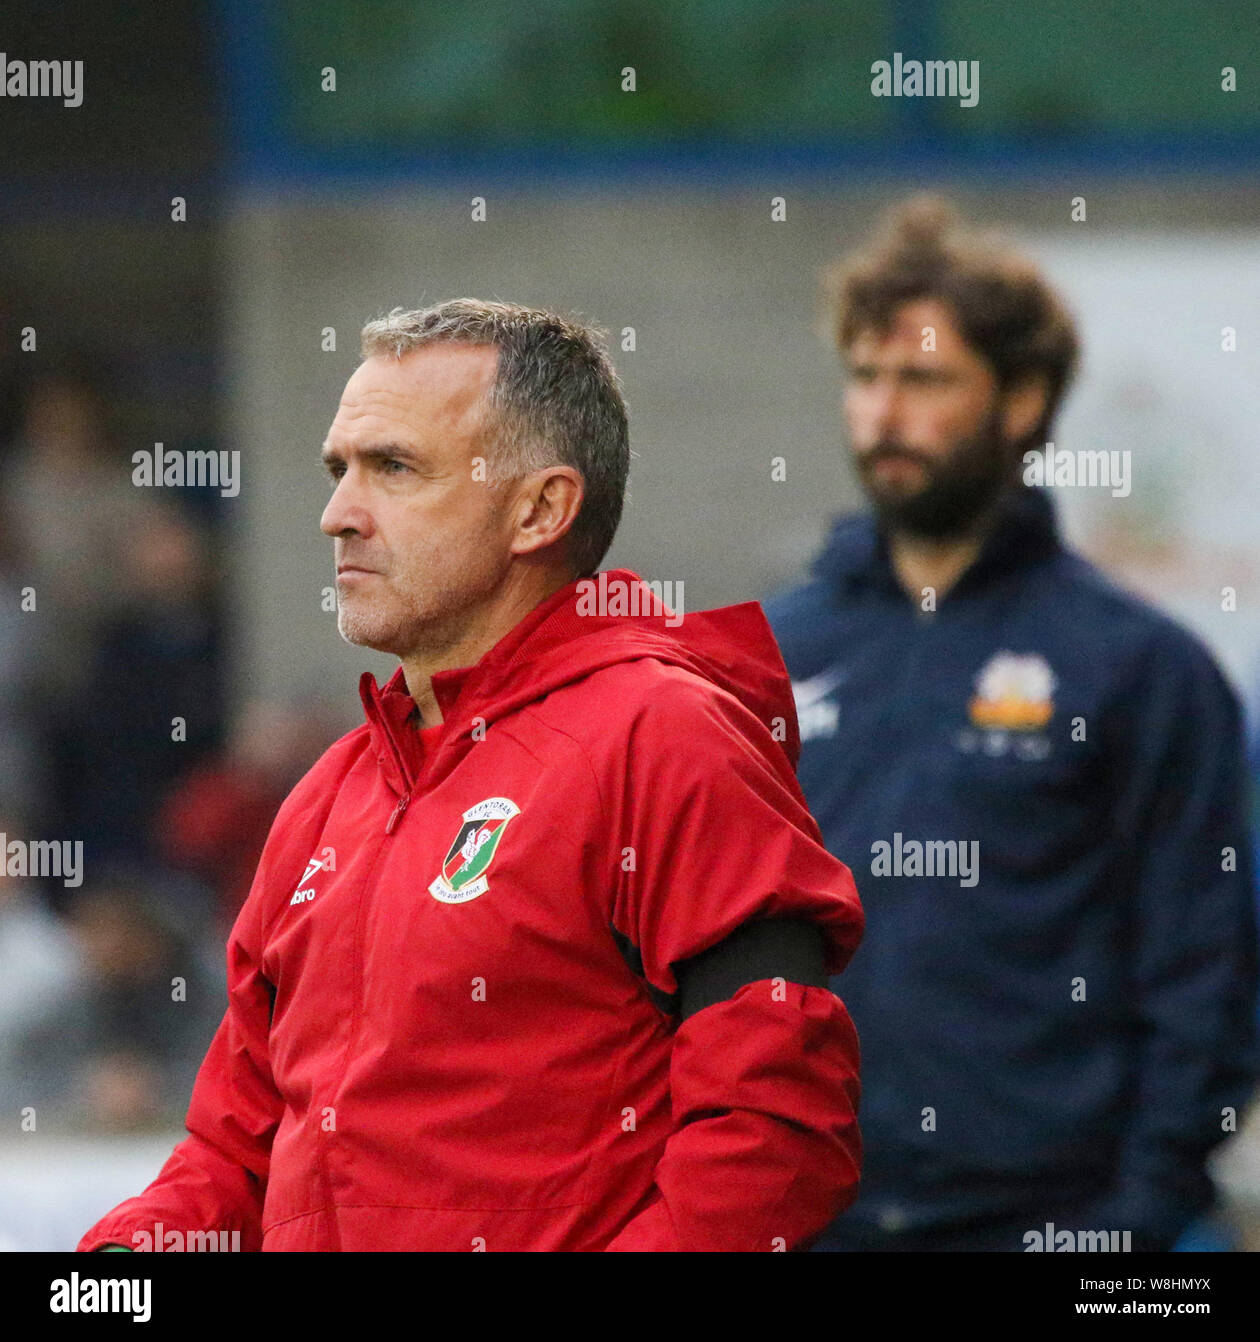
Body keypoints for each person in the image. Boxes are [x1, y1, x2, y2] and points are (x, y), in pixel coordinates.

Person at [79, 299, 863, 1253]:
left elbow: (774, 1132)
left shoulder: (666, 737)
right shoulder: (327, 795)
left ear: (539, 508)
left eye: (393, 469)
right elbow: (235, 1155)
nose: (338, 515)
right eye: (339, 471)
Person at [764, 197, 1260, 1252]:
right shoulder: (768, 652)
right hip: (806, 1220)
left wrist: (1129, 1223)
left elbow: (1207, 976)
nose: (884, 414)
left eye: (926, 380)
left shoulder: (1139, 668)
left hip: (1056, 1225)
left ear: (1024, 399)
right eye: (866, 377)